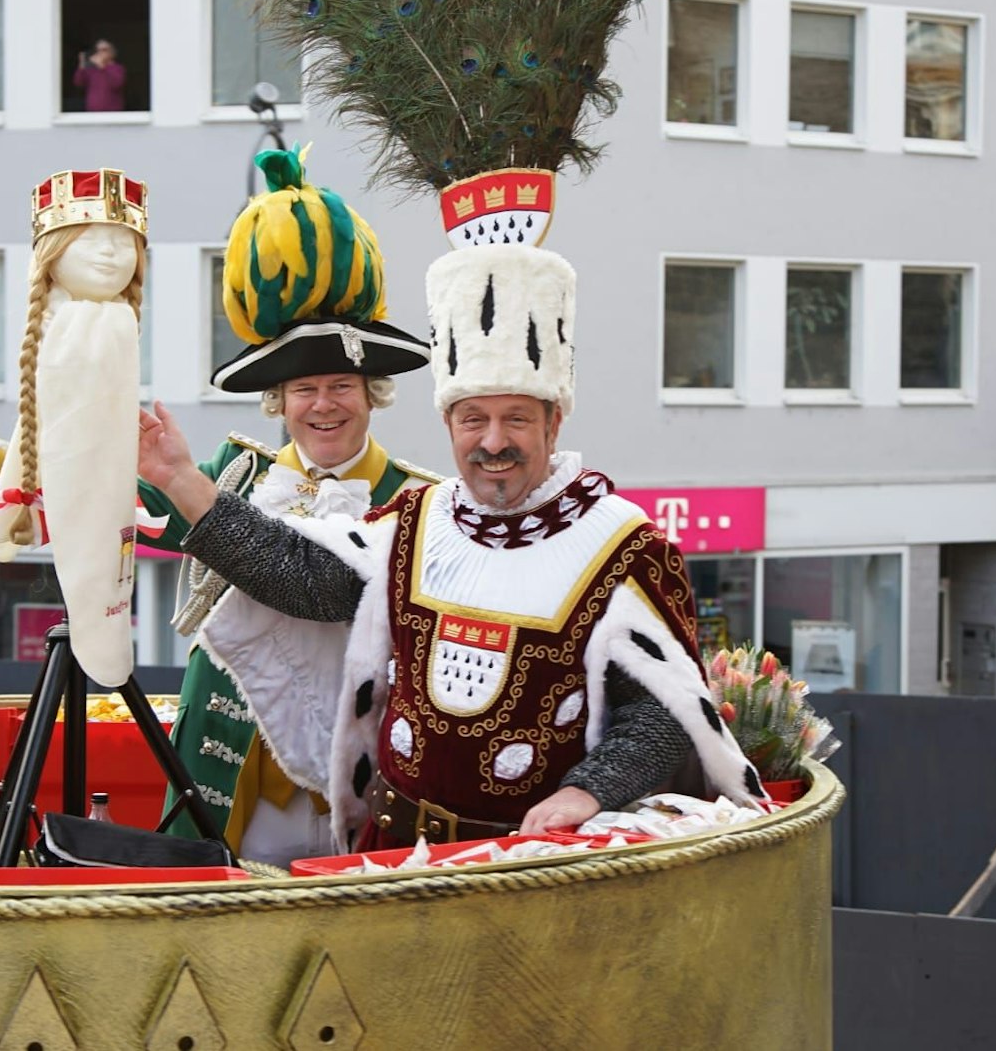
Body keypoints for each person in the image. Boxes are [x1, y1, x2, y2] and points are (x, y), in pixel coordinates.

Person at [136, 183, 768, 850]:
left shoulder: (623, 545)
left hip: (530, 871)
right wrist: (181, 479)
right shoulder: (415, 520)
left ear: (555, 419)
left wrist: (589, 789)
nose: (493, 441)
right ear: (448, 422)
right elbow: (302, 576)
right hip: (393, 858)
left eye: (516, 418)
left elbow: (661, 714)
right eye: (474, 418)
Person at [0, 148, 434, 866]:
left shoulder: (418, 502)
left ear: (370, 391)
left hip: (362, 787)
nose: (322, 404)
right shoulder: (230, 471)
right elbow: (85, 482)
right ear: (278, 400)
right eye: (303, 388)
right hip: (234, 783)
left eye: (341, 385)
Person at [72, 39, 126, 113]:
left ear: (111, 52)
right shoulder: (91, 70)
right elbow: (78, 83)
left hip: (112, 114)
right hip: (92, 114)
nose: (99, 52)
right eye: (97, 50)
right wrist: (81, 65)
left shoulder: (117, 68)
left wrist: (102, 66)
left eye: (103, 50)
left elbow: (116, 84)